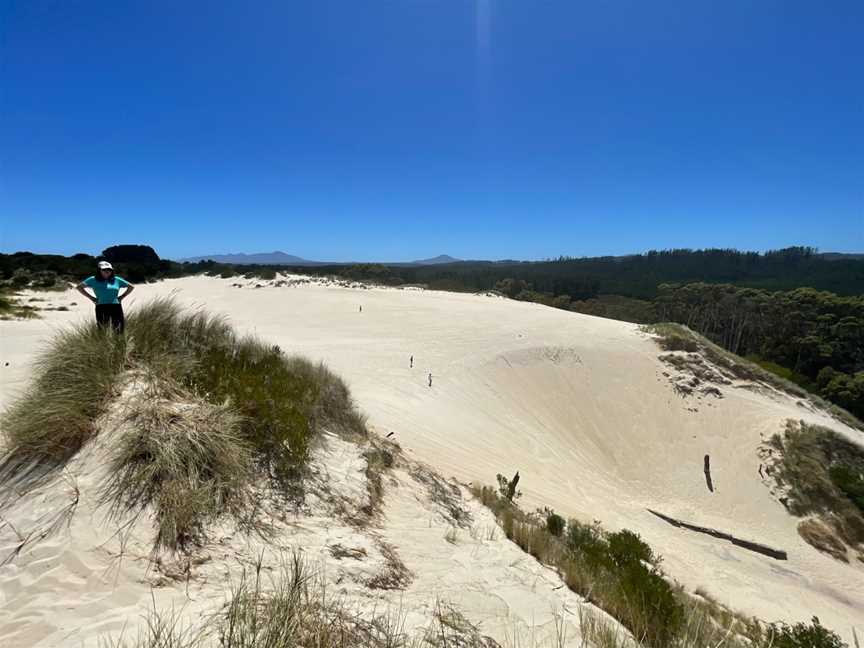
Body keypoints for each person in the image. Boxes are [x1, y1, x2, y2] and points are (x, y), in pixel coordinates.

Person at [76, 261, 134, 332]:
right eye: (104, 270)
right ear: (99, 270)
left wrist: (122, 297)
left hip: (116, 306)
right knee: (102, 329)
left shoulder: (116, 279)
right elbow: (79, 287)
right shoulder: (93, 279)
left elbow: (131, 286)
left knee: (119, 329)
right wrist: (91, 298)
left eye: (109, 270)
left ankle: (118, 343)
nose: (107, 271)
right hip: (101, 306)